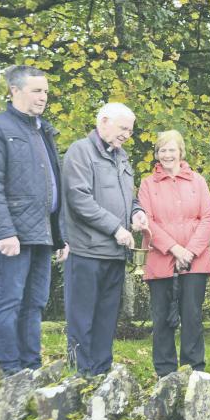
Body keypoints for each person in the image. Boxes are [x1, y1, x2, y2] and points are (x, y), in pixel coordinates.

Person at [0, 65, 69, 375]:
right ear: (15, 90)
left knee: (36, 303)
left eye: (46, 91)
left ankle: (31, 366)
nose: (43, 97)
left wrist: (60, 237)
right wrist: (5, 232)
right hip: (12, 234)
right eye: (36, 91)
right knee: (9, 300)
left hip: (41, 232)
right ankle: (9, 368)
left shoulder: (44, 130)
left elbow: (53, 186)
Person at [62, 103, 149, 376]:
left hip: (114, 253)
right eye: (123, 128)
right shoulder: (80, 151)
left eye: (130, 130)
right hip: (86, 250)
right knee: (82, 315)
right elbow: (79, 199)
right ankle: (79, 373)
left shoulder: (122, 157)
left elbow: (129, 197)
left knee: (106, 317)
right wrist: (115, 228)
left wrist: (137, 213)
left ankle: (101, 371)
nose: (127, 134)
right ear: (104, 121)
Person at [138, 130, 210, 376]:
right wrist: (174, 249)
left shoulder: (198, 181)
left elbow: (209, 217)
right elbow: (147, 221)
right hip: (160, 259)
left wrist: (190, 252)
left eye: (172, 150)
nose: (167, 155)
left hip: (196, 261)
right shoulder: (148, 184)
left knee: (192, 317)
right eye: (162, 150)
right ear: (157, 154)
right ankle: (165, 372)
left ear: (181, 152)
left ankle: (194, 370)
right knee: (162, 318)